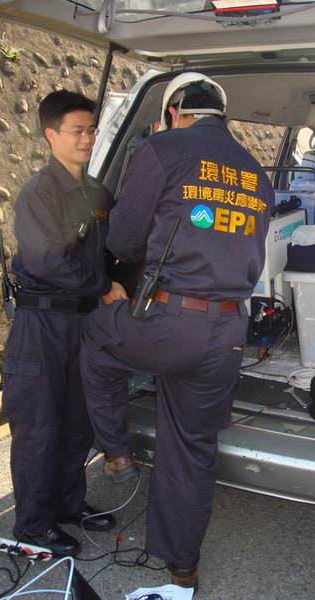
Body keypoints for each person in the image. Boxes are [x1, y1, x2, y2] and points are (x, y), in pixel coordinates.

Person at [79, 72, 274, 589]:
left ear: (173, 113)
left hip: (169, 323)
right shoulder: (258, 173)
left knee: (96, 335)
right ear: (221, 114)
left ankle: (117, 451)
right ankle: (182, 569)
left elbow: (123, 239)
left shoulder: (162, 150)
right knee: (191, 447)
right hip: (229, 330)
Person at [2, 90, 127, 556]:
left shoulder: (98, 194)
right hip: (42, 324)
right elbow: (46, 261)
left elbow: (116, 248)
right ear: (51, 135)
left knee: (78, 420)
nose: (87, 138)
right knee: (38, 425)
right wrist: (103, 284)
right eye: (78, 131)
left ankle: (69, 506)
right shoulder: (39, 193)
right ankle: (34, 524)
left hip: (84, 323)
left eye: (92, 130)